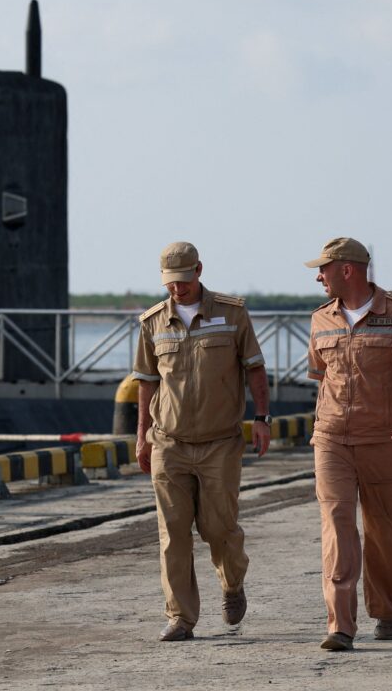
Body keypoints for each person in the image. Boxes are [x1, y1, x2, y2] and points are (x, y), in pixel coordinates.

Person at [132, 241, 271, 642]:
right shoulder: (153, 322)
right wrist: (142, 436)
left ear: (199, 271)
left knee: (218, 527)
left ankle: (231, 583)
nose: (177, 289)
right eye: (170, 283)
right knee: (172, 532)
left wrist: (261, 418)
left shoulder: (232, 314)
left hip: (220, 444)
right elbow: (146, 382)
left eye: (183, 280)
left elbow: (255, 370)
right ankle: (180, 617)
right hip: (169, 443)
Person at [304, 237, 392, 651]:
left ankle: (388, 611)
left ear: (347, 269)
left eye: (324, 268)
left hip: (382, 436)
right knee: (337, 523)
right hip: (331, 438)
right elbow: (321, 377)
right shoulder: (320, 319)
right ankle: (340, 625)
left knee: (381, 528)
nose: (318, 276)